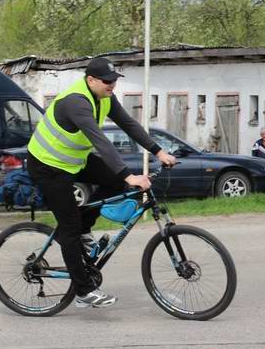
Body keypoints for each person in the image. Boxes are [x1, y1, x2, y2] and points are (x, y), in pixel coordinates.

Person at [27, 57, 176, 309]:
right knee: (69, 227)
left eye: (115, 80)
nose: (112, 85)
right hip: (48, 166)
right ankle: (84, 291)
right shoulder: (76, 102)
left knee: (116, 184)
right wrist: (130, 175)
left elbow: (128, 124)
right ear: (91, 80)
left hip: (74, 160)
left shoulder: (105, 97)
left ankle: (85, 229)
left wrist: (158, 151)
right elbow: (100, 141)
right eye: (108, 81)